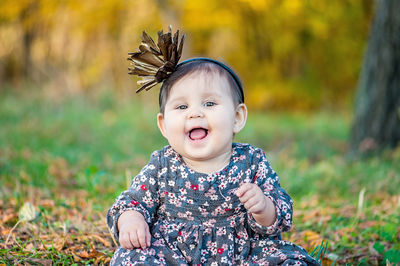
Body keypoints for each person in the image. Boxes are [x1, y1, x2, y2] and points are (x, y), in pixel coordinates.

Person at [107, 28, 319, 265]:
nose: (195, 113)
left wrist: (263, 207)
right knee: (132, 257)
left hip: (245, 254)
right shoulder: (162, 165)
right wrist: (131, 220)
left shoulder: (252, 162)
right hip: (171, 254)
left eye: (209, 103)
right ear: (164, 125)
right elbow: (132, 201)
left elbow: (280, 214)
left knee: (289, 260)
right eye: (181, 107)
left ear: (237, 117)